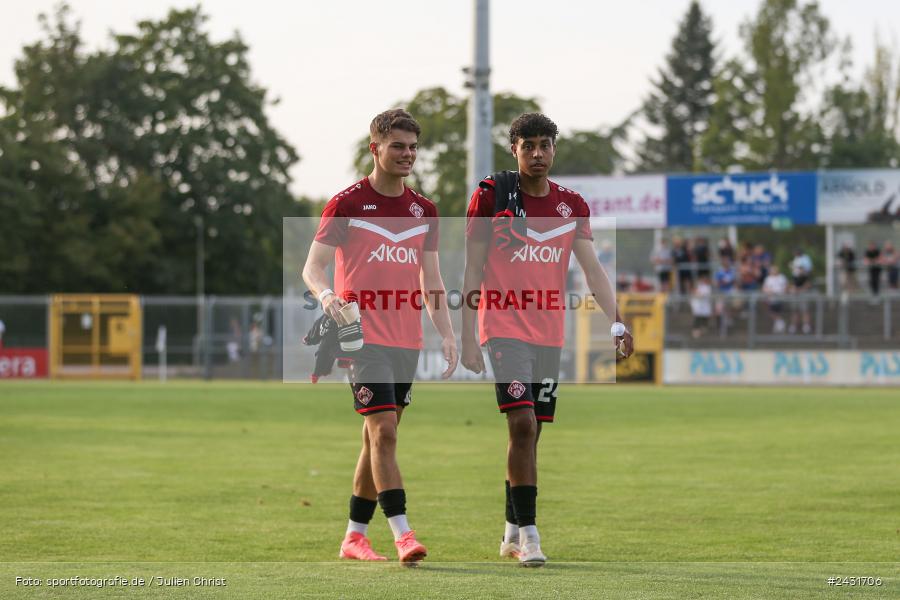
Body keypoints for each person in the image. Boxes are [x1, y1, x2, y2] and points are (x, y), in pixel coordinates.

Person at [460, 113, 633, 567]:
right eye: (528, 145)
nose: (538, 154)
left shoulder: (571, 205)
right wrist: (467, 335)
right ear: (514, 149)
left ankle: (511, 529)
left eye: (545, 145)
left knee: (531, 434)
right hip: (501, 326)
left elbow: (592, 269)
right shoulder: (491, 196)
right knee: (521, 424)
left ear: (554, 149)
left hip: (549, 331)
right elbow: (473, 267)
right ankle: (531, 538)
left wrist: (617, 321)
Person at [302, 109, 458, 564]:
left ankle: (353, 536)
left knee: (376, 438)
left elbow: (432, 282)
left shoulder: (424, 211)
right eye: (398, 146)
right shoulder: (346, 203)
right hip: (360, 337)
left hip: (406, 341)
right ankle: (403, 534)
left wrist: (447, 334)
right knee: (384, 432)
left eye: (413, 147)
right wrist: (328, 295)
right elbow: (311, 268)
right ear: (375, 148)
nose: (407, 154)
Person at [789, 248, 813, 334]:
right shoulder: (796, 261)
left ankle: (806, 325)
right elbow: (794, 279)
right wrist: (794, 288)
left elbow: (808, 282)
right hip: (796, 290)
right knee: (795, 309)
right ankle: (794, 325)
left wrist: (799, 289)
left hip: (803, 291)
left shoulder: (806, 260)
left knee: (805, 309)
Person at [762, 264, 788, 333]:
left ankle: (779, 324)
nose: (774, 271)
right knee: (771, 312)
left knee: (777, 311)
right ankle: (779, 322)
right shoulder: (768, 278)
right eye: (772, 270)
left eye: (775, 269)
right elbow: (764, 288)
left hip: (780, 298)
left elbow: (785, 287)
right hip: (771, 298)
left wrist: (781, 293)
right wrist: (769, 292)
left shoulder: (782, 277)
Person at [690, 274, 713, 338]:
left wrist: (698, 293)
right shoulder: (698, 286)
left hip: (704, 305)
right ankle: (696, 331)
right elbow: (695, 293)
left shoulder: (707, 287)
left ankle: (703, 329)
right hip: (698, 305)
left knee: (704, 318)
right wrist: (696, 292)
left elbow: (702, 295)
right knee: (697, 318)